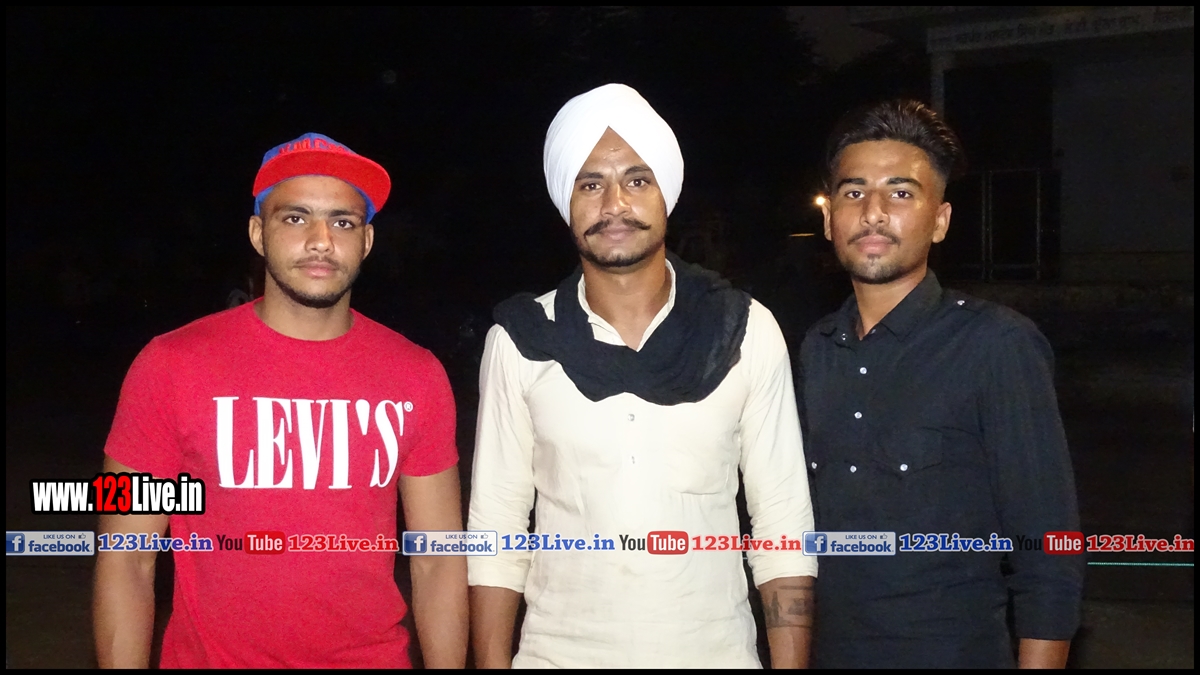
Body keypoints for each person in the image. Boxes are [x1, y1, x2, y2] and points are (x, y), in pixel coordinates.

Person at [467, 83, 816, 668]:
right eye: (590, 184)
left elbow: (782, 526)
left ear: (665, 195)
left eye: (636, 180)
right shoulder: (522, 341)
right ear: (566, 203)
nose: (614, 204)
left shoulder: (744, 331)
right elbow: (496, 534)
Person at [92, 133, 468, 668]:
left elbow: (439, 561)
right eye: (295, 218)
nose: (321, 241)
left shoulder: (416, 374)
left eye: (343, 222)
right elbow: (127, 559)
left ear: (366, 241)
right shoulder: (170, 365)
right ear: (258, 233)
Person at [798, 100, 1083, 668]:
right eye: (853, 192)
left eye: (901, 193)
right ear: (829, 219)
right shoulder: (815, 350)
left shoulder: (996, 346)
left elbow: (1049, 549)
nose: (873, 213)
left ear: (941, 219)